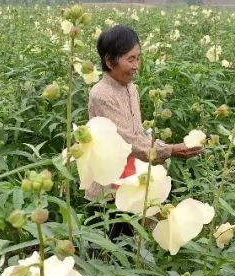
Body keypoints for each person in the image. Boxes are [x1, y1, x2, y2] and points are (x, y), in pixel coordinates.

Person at [87, 25, 203, 199]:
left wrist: (157, 146)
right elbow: (126, 140)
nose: (136, 66)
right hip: (110, 187)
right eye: (130, 59)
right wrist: (170, 150)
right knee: (114, 225)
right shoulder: (101, 94)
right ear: (110, 61)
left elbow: (138, 132)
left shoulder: (131, 88)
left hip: (132, 178)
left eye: (138, 58)